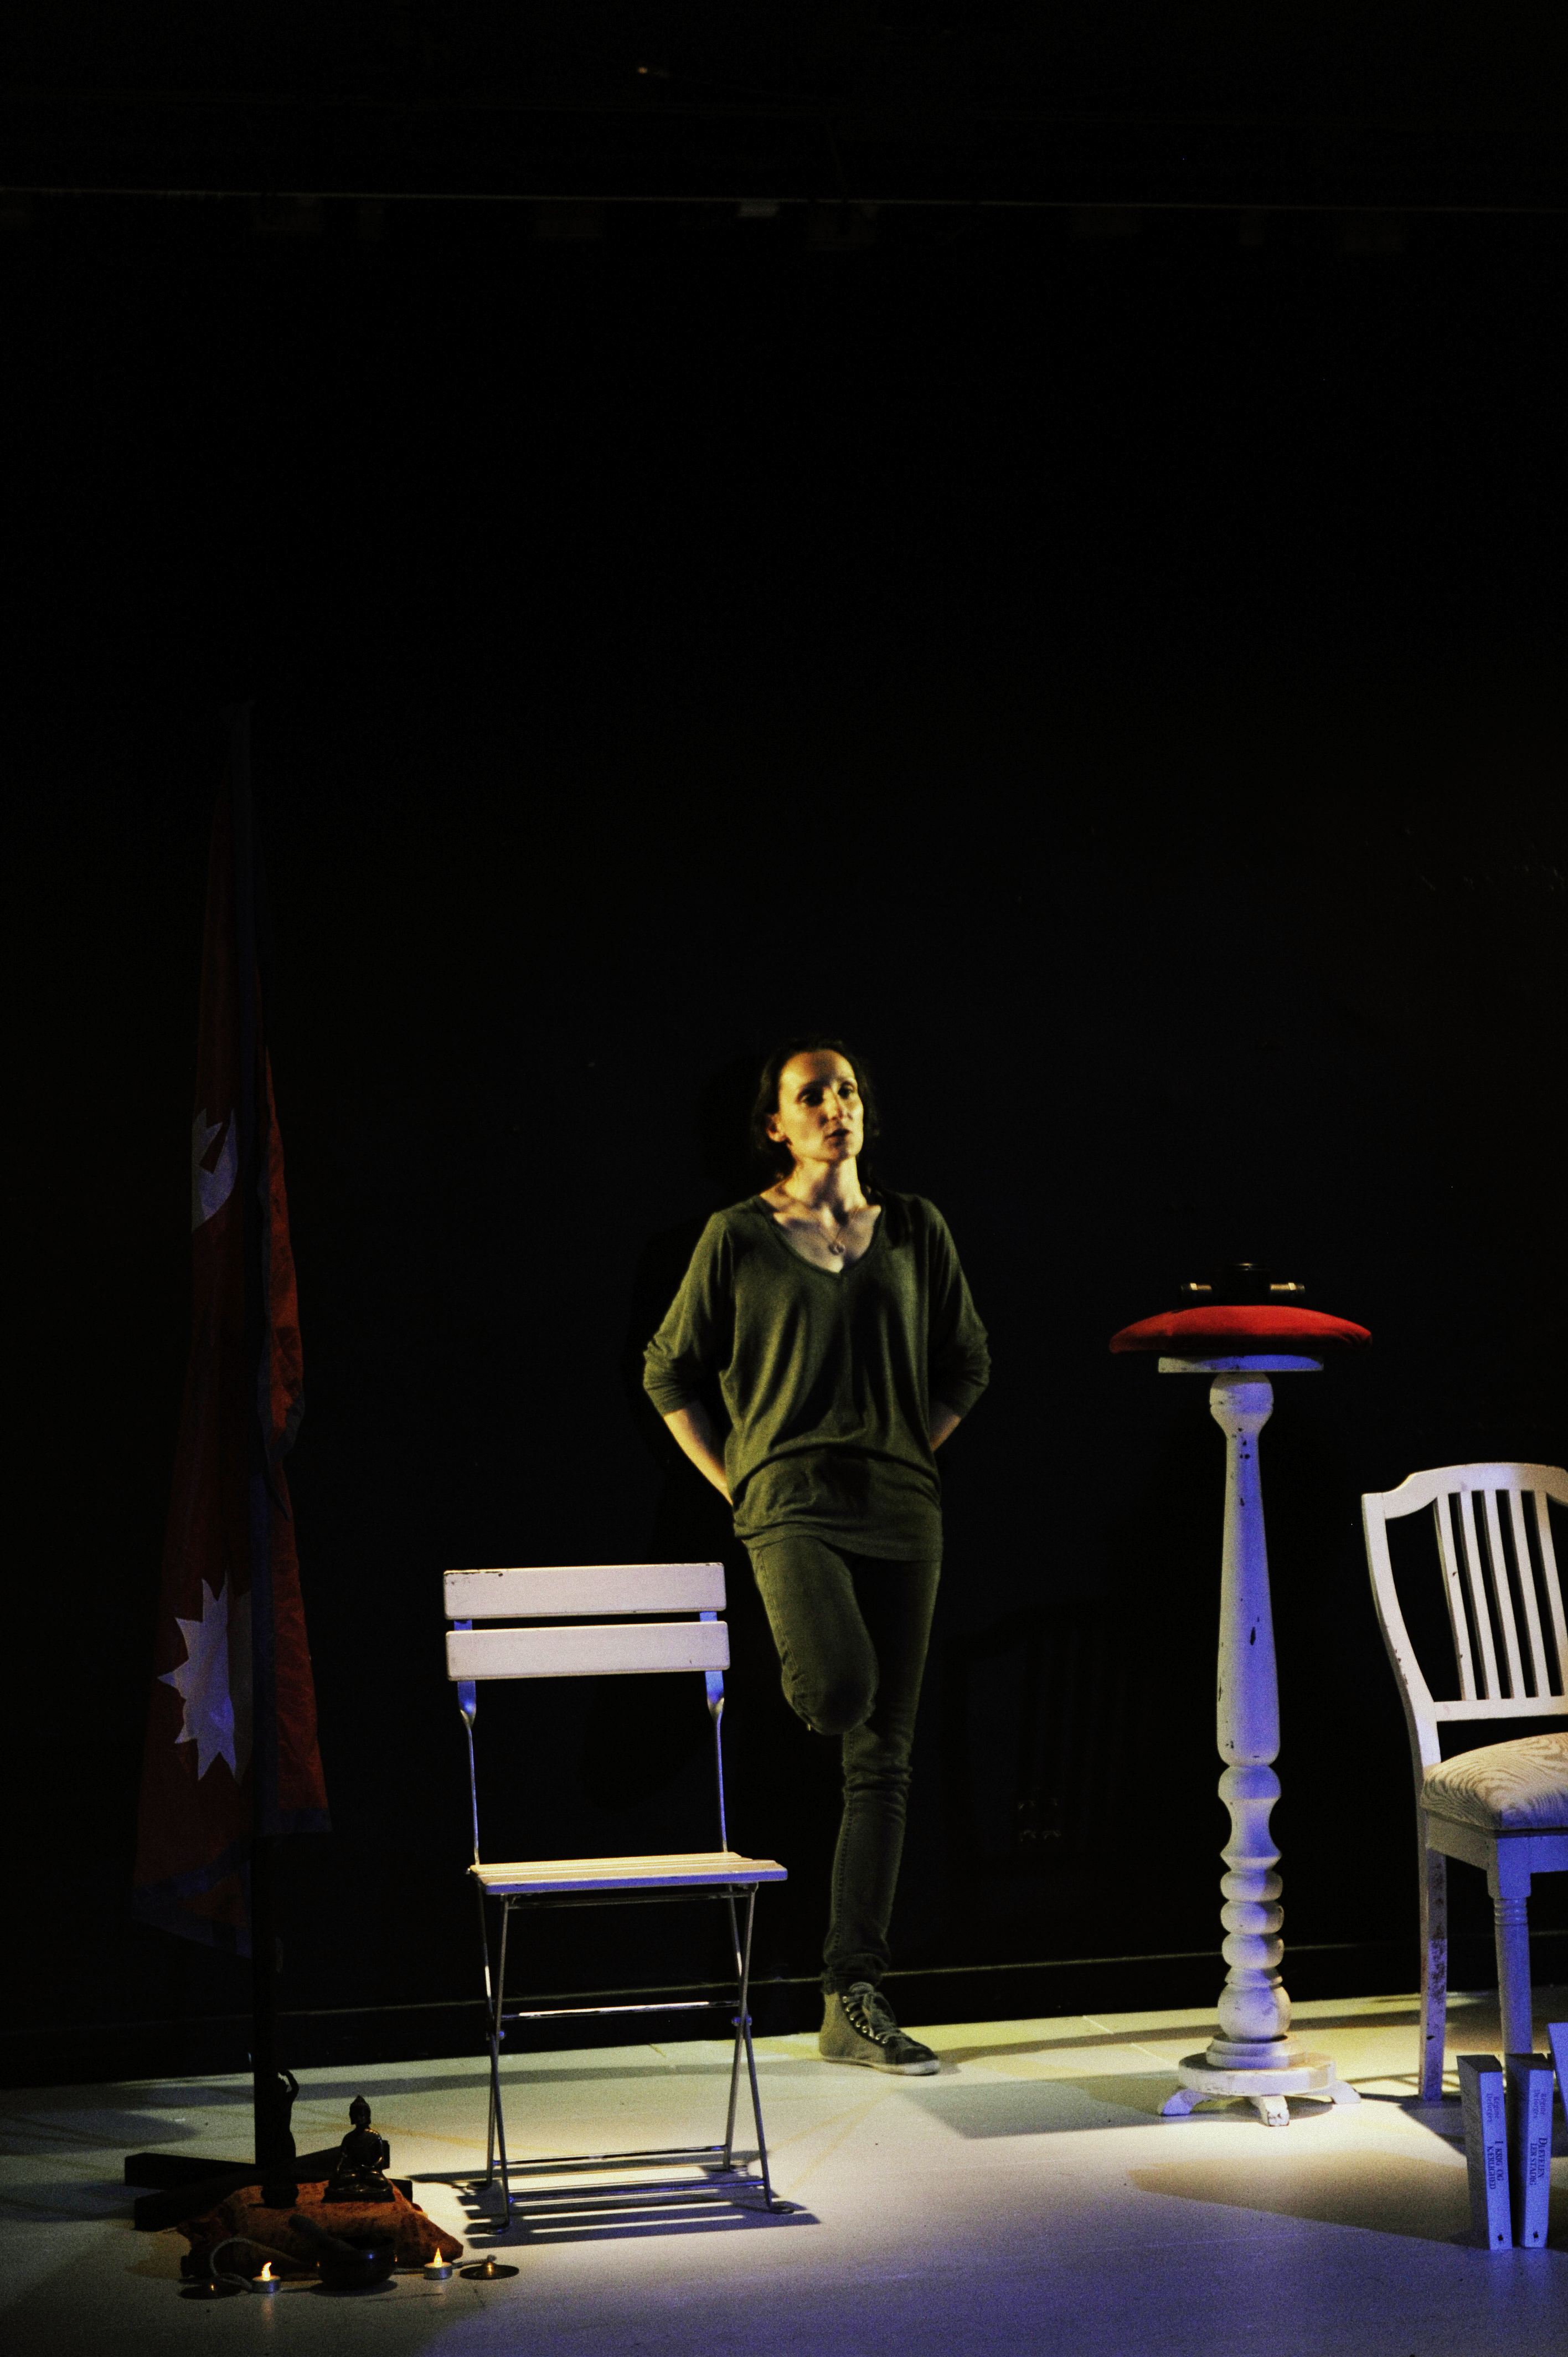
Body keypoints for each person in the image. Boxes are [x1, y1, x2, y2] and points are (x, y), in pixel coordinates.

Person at [643, 1036, 989, 2075]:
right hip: (789, 1503)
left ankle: (853, 1993)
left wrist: (904, 1447)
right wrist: (739, 1481)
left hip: (903, 1512)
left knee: (883, 1761)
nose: (836, 1105)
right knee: (837, 1692)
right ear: (776, 1126)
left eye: (847, 1091)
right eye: (812, 1095)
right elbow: (668, 1370)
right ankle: (831, 1977)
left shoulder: (916, 1227)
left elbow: (968, 1363)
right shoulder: (738, 1237)